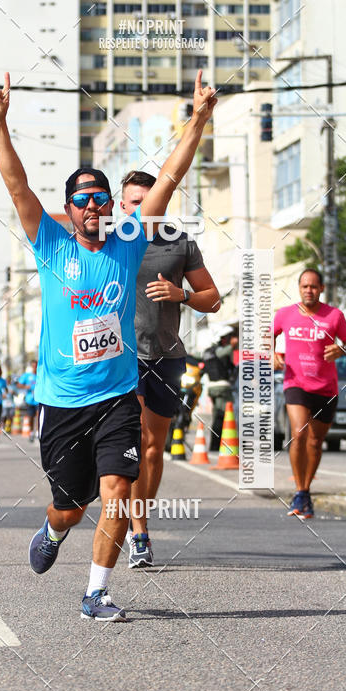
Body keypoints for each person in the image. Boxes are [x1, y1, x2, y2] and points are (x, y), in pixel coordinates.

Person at [0, 69, 216, 620]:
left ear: (112, 207)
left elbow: (169, 176)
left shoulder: (130, 242)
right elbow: (17, 185)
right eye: (83, 199)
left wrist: (200, 117)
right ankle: (53, 527)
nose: (93, 207)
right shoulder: (51, 244)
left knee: (117, 488)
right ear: (68, 209)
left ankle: (96, 592)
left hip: (117, 394)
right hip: (62, 401)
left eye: (101, 199)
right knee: (72, 507)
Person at [120, 170, 221, 569]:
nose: (142, 208)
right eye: (133, 202)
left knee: (152, 448)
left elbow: (213, 299)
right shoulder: (111, 243)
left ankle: (136, 523)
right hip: (123, 357)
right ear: (121, 206)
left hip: (167, 357)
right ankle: (138, 531)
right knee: (135, 440)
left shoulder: (181, 243)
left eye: (149, 199)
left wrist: (183, 294)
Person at [274, 268, 346, 519]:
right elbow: (266, 335)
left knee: (316, 442)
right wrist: (272, 353)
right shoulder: (285, 314)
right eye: (305, 286)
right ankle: (299, 490)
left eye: (314, 286)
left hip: (326, 388)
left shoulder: (334, 316)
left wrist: (341, 350)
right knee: (299, 432)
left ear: (321, 289)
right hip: (296, 384)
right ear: (299, 288)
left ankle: (305, 491)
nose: (309, 290)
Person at [204, 329, 238, 453]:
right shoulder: (218, 350)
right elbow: (222, 353)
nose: (228, 340)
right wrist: (232, 346)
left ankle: (215, 444)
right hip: (222, 388)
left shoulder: (207, 352)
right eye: (226, 338)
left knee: (218, 415)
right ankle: (222, 444)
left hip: (213, 388)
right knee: (224, 415)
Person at [18, 359, 39, 441]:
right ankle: (31, 433)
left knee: (38, 416)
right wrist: (26, 387)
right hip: (30, 400)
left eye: (36, 366)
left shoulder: (41, 375)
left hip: (39, 399)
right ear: (31, 367)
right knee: (30, 417)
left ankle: (38, 432)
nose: (35, 368)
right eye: (33, 366)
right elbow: (19, 385)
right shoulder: (27, 376)